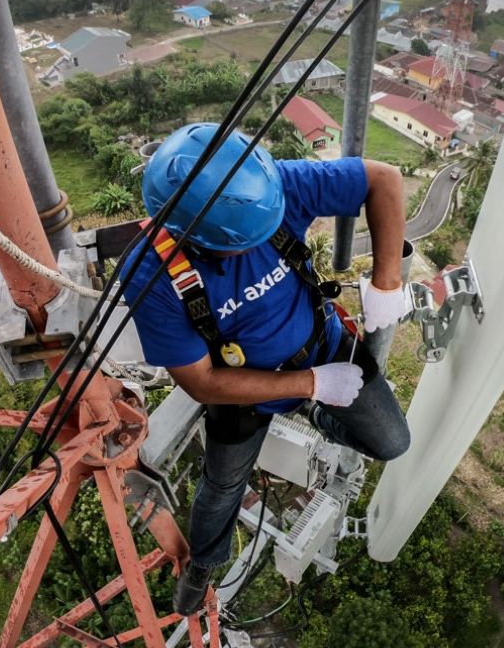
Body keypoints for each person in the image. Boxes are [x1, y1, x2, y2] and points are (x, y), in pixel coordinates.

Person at [122, 122, 412, 615]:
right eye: (243, 246)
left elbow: (383, 179)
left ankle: (317, 412)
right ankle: (204, 564)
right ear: (201, 238)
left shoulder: (262, 189)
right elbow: (201, 382)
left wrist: (385, 282)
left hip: (323, 345)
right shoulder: (152, 275)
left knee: (392, 441)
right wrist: (312, 385)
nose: (256, 249)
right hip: (243, 392)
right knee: (221, 489)